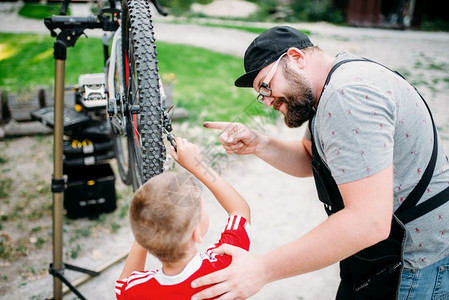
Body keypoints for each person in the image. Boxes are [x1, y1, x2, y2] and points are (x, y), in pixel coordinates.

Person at [189, 26, 449, 299]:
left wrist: (262, 269)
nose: (267, 102)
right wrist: (259, 144)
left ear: (296, 58)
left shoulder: (345, 94)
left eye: (266, 86)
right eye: (261, 95)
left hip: (416, 264)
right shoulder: (331, 86)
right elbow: (312, 159)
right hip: (387, 256)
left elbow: (368, 222)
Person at [115, 137, 251, 299]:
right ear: (197, 233)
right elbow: (240, 210)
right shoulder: (225, 265)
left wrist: (147, 228)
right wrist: (197, 166)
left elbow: (124, 283)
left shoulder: (136, 291)